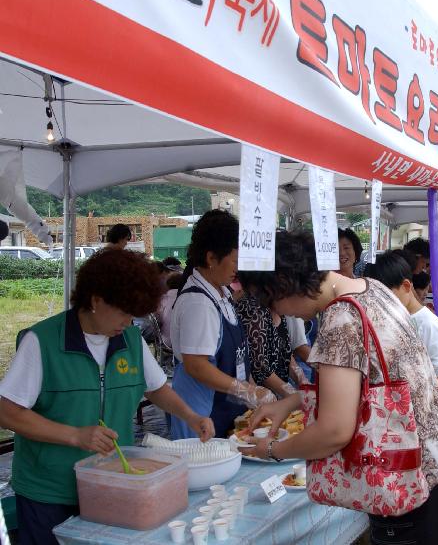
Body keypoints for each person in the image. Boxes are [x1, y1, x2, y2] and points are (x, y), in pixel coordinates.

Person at [239, 231, 438, 545]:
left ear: (282, 285)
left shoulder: (339, 319)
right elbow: (368, 383)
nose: (278, 312)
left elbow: (334, 431)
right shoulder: (371, 288)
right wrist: (289, 403)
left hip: (409, 479)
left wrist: (273, 451)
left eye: (269, 301)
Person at [0, 248, 213, 545]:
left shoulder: (130, 340)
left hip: (110, 485)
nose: (128, 323)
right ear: (96, 300)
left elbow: (156, 388)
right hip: (49, 492)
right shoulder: (43, 341)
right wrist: (74, 435)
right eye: (124, 312)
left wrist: (190, 416)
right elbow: (7, 411)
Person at [170, 210, 271, 439]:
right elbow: (196, 365)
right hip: (204, 414)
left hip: (227, 410)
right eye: (234, 260)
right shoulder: (199, 303)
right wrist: (247, 390)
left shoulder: (222, 293)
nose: (238, 268)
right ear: (211, 258)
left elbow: (238, 355)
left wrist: (251, 388)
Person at [364, 251, 438, 392]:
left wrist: (403, 392)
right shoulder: (385, 318)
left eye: (386, 297)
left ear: (406, 286)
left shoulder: (429, 324)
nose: (380, 304)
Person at [234, 271, 308, 397]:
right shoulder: (253, 310)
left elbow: (285, 352)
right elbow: (260, 369)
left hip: (279, 393)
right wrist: (294, 397)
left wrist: (303, 381)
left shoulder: (276, 307)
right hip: (259, 398)